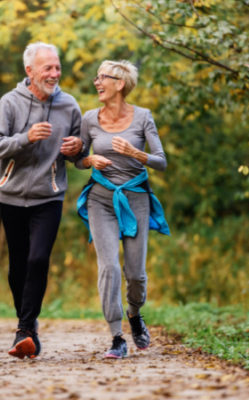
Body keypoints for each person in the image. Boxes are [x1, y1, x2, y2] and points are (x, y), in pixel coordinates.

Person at [0, 42, 83, 359]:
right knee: (18, 268)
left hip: (48, 196)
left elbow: (79, 153)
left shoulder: (69, 106)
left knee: (38, 259)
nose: (55, 74)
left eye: (57, 67)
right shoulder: (9, 103)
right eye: (48, 68)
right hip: (11, 195)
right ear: (30, 71)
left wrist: (77, 149)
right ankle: (27, 325)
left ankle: (25, 330)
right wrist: (25, 138)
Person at [76, 60, 170, 359]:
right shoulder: (90, 118)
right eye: (97, 77)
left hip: (136, 199)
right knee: (109, 268)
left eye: (103, 77)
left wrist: (135, 153)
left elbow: (161, 160)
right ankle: (117, 336)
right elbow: (78, 157)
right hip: (101, 199)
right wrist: (89, 161)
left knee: (136, 274)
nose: (97, 82)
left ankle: (134, 314)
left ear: (120, 83)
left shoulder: (143, 117)